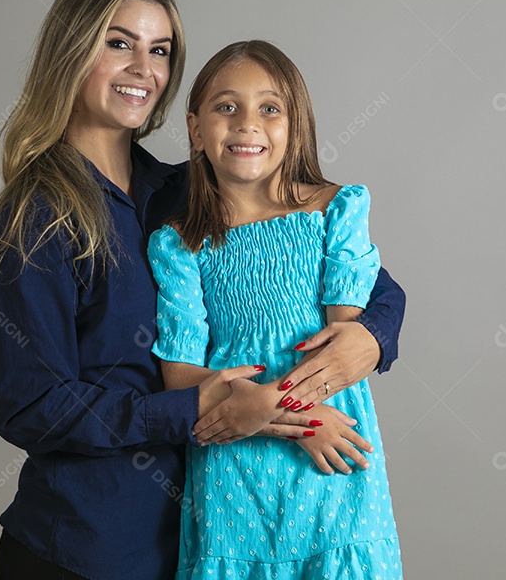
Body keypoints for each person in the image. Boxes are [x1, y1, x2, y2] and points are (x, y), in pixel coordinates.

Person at [0, 0, 406, 580]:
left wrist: (373, 335)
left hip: (210, 540)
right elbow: (32, 408)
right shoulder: (33, 223)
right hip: (89, 552)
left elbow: (354, 271)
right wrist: (212, 407)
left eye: (160, 50)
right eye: (118, 43)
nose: (142, 70)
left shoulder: (183, 194)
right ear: (71, 51)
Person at [149, 40, 402, 578]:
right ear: (195, 130)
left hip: (333, 461)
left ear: (296, 126)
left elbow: (339, 350)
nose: (247, 124)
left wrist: (304, 415)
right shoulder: (178, 245)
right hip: (233, 470)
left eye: (269, 108)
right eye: (226, 107)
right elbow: (179, 376)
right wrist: (288, 416)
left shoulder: (337, 211)